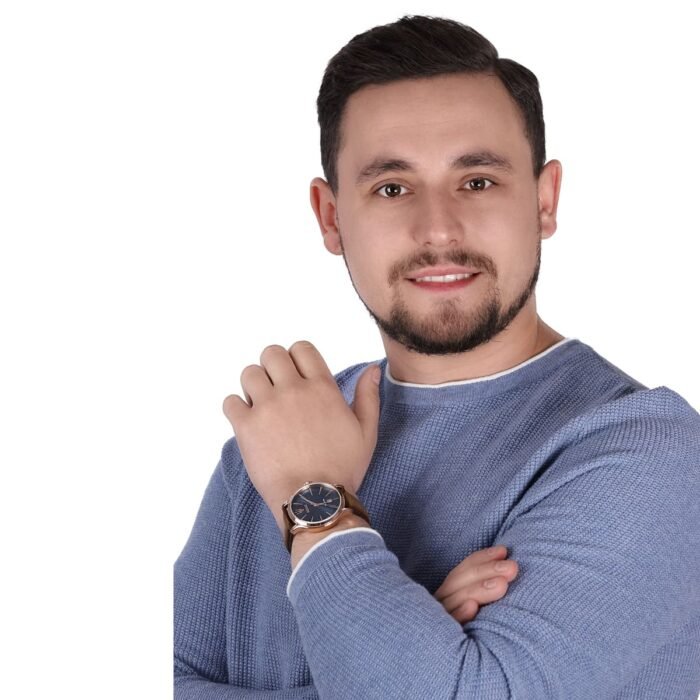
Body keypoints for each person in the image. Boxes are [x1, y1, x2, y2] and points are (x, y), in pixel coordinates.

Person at [174, 14, 700, 699]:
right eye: (392, 188)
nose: (439, 230)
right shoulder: (275, 435)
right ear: (331, 217)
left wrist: (317, 502)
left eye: (477, 181)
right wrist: (411, 648)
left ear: (545, 201)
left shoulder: (648, 453)